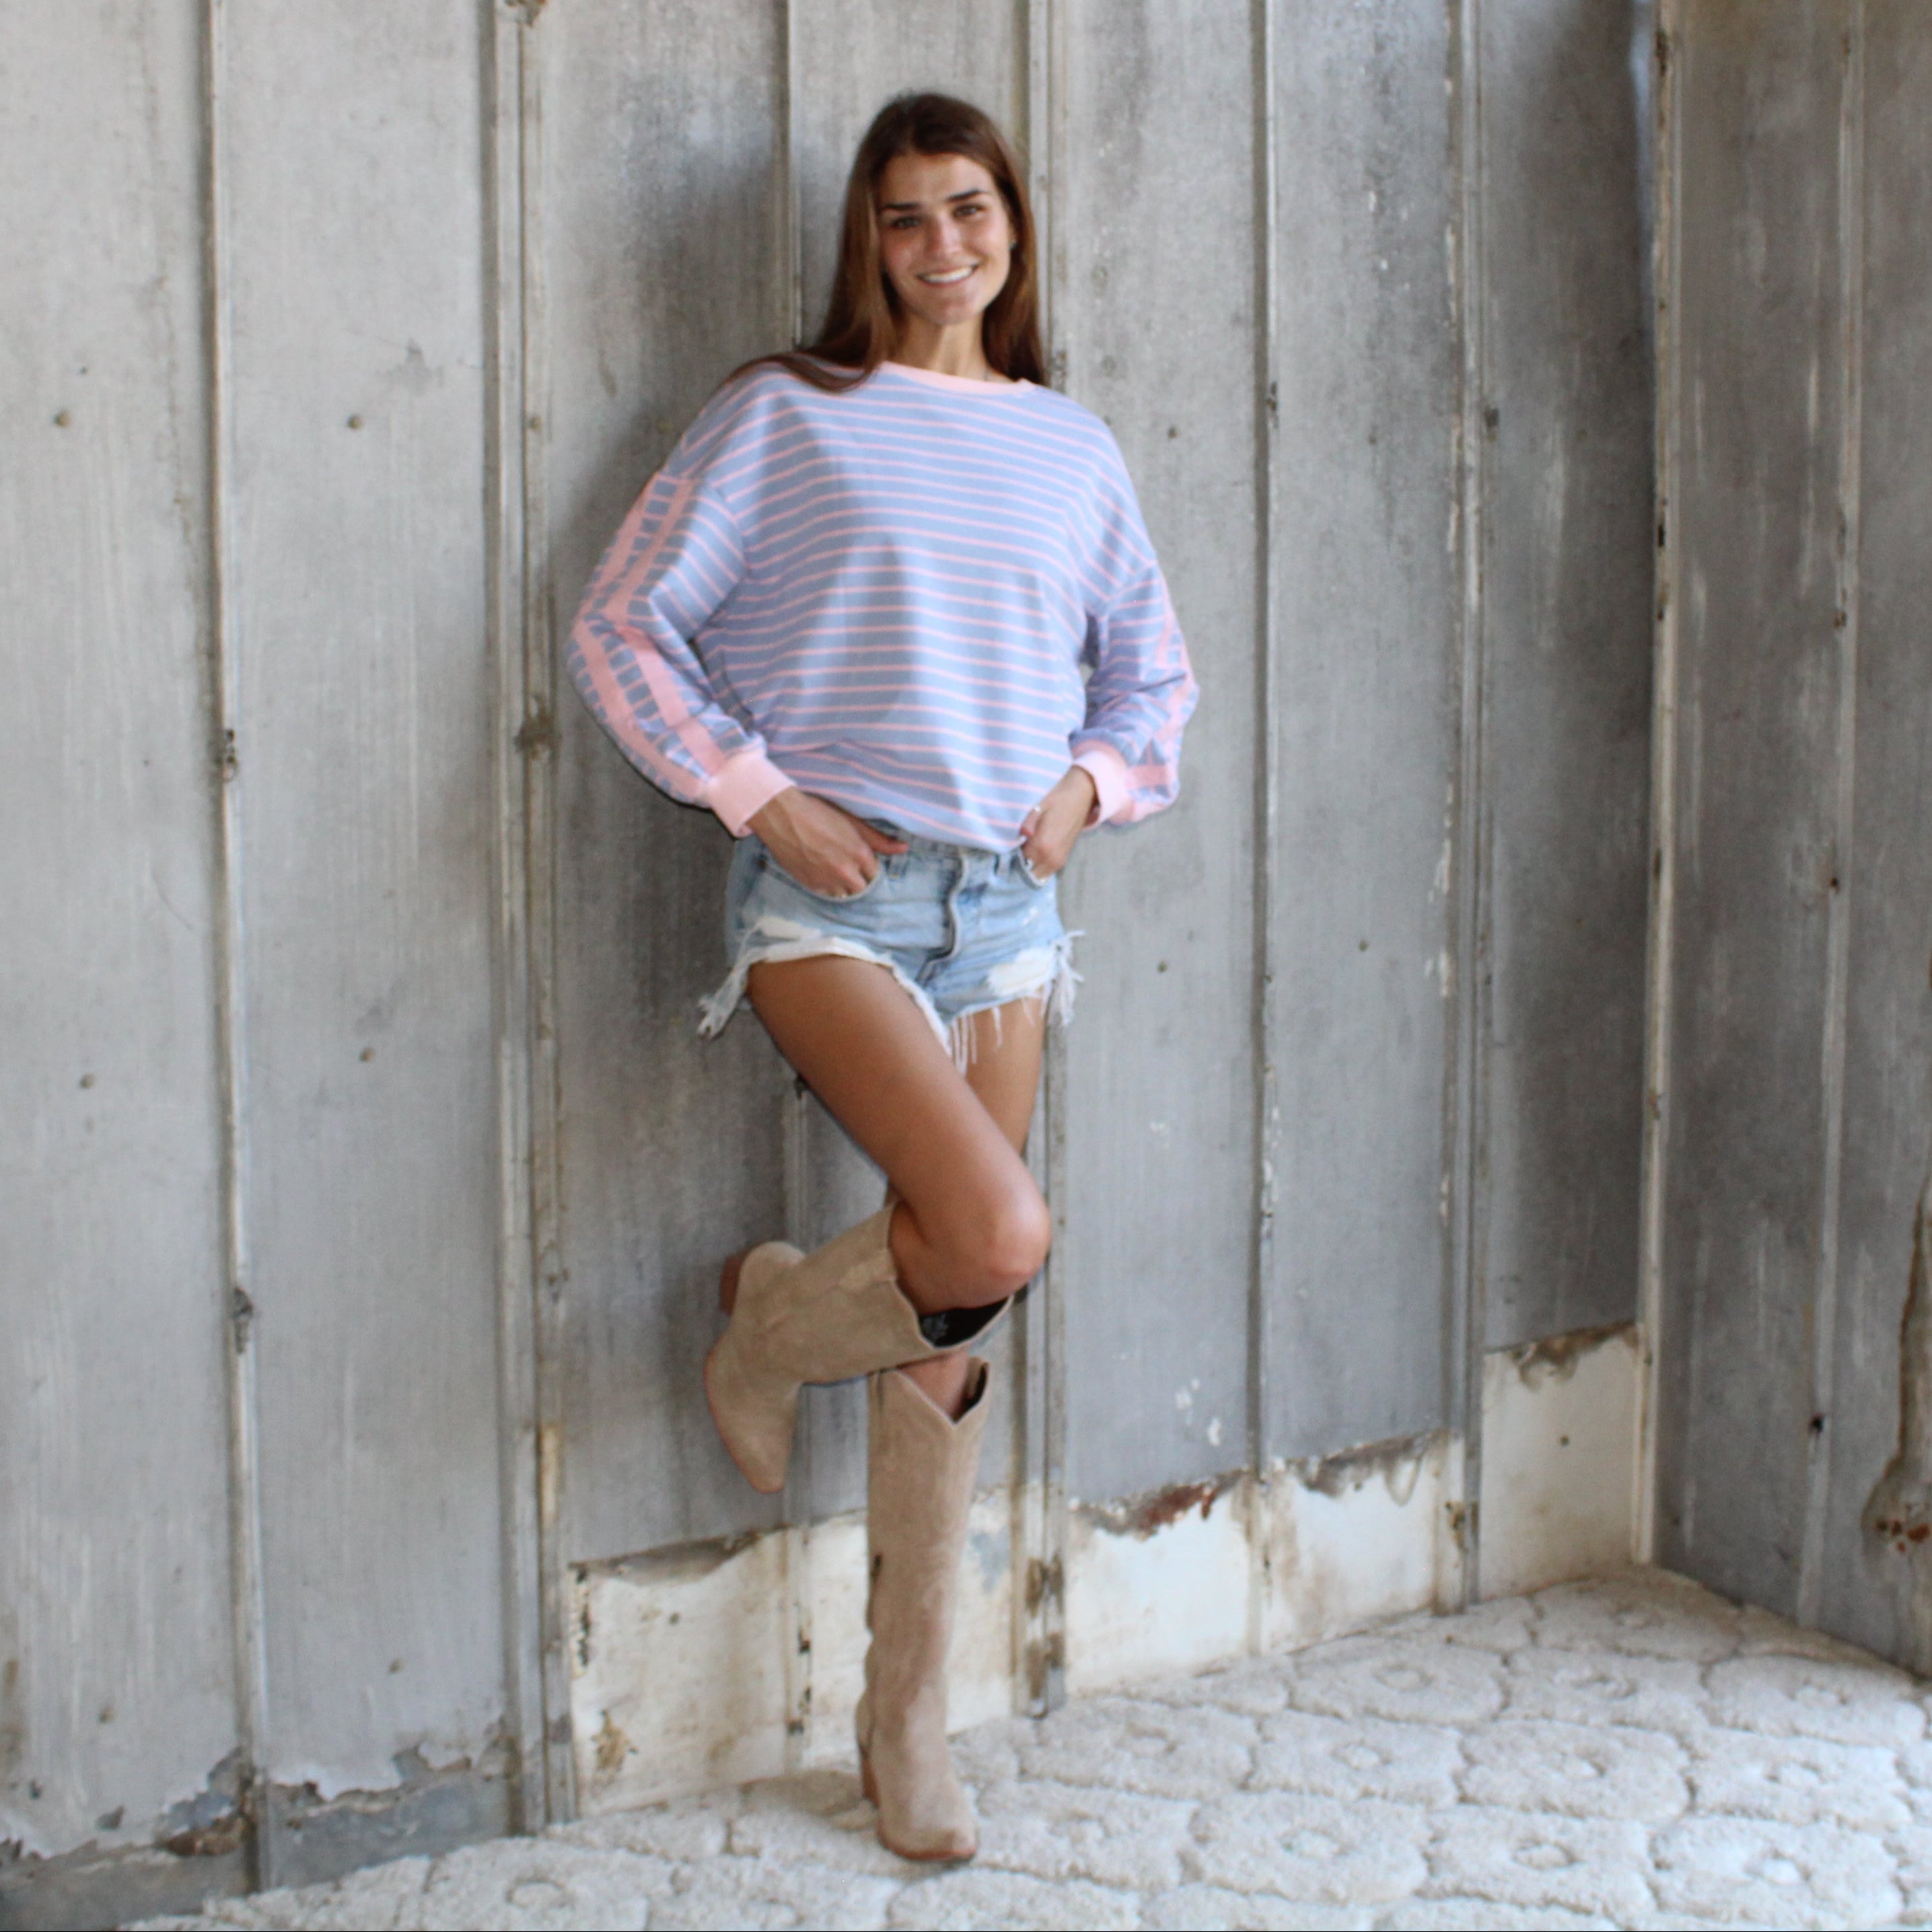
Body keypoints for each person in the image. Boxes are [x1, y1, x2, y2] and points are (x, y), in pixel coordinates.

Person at [567, 90, 1196, 1862]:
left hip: (1008, 914)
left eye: (971, 208)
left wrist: (1091, 785)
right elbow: (621, 620)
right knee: (992, 1235)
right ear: (869, 240)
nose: (942, 246)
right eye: (906, 217)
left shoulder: (1071, 448)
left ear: (1014, 226)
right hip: (835, 908)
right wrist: (762, 790)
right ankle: (765, 1327)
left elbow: (1155, 677)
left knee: (956, 1295)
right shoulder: (787, 416)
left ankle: (902, 1712)